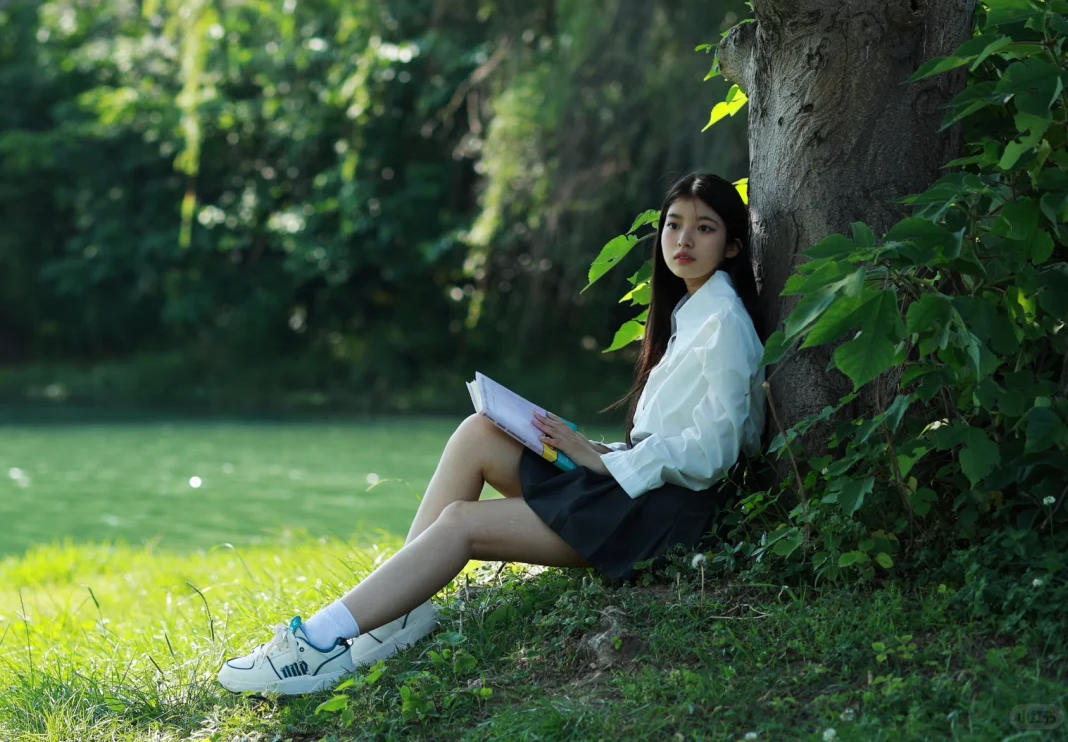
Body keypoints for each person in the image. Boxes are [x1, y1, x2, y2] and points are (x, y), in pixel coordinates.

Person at [216, 171, 768, 696]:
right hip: (636, 487)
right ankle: (401, 613)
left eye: (704, 227)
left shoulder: (725, 325)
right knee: (481, 430)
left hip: (662, 517)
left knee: (461, 524)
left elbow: (714, 454)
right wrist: (601, 452)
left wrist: (605, 462)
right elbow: (674, 436)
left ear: (733, 246)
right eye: (674, 224)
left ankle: (314, 646)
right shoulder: (692, 311)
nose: (684, 239)